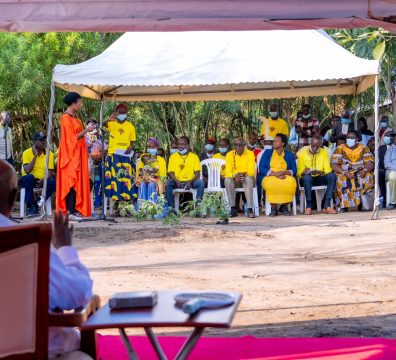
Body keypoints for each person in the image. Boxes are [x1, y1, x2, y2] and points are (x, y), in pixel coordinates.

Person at [0, 160, 93, 360]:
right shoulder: (25, 242)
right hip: (40, 352)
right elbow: (78, 294)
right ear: (13, 197)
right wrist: (65, 248)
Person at [56, 92, 93, 221]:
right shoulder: (65, 118)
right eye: (80, 102)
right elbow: (71, 138)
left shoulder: (76, 118)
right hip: (69, 155)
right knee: (70, 182)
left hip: (78, 154)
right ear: (73, 103)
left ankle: (75, 210)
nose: (81, 105)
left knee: (78, 181)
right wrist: (86, 130)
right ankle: (68, 212)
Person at [331, 130, 374, 212]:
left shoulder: (363, 147)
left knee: (368, 177)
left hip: (361, 171)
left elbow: (370, 162)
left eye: (351, 137)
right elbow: (334, 164)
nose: (349, 139)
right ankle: (344, 206)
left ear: (357, 139)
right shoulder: (340, 148)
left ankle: (364, 204)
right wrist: (344, 172)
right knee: (341, 180)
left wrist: (365, 170)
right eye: (347, 137)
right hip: (344, 172)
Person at [103, 103, 137, 207]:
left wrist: (130, 147)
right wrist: (109, 119)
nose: (121, 114)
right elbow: (102, 125)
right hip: (113, 154)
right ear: (116, 112)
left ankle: (127, 206)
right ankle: (116, 205)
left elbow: (132, 141)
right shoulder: (112, 123)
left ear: (127, 113)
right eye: (119, 112)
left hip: (126, 156)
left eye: (123, 112)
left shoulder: (130, 126)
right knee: (115, 180)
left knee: (126, 179)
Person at [297, 135, 337, 215]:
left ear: (320, 145)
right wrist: (305, 171)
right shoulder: (303, 154)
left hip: (319, 177)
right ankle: (309, 206)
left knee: (332, 176)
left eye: (318, 146)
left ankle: (326, 206)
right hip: (307, 180)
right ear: (310, 143)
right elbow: (299, 172)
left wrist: (319, 172)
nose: (315, 148)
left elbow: (328, 170)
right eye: (314, 145)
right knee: (307, 178)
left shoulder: (323, 153)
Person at [260, 133, 297, 216]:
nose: (274, 142)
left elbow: (294, 170)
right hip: (270, 175)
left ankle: (285, 207)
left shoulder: (289, 154)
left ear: (283, 143)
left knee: (291, 182)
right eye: (274, 141)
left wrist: (283, 173)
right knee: (270, 183)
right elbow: (261, 167)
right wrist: (275, 174)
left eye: (277, 141)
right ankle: (273, 208)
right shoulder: (267, 153)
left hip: (285, 175)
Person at [21, 131, 56, 217]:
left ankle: (37, 203)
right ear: (35, 142)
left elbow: (50, 172)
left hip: (42, 181)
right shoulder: (26, 153)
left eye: (44, 139)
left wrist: (43, 180)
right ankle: (30, 206)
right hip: (28, 180)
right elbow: (28, 170)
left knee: (55, 182)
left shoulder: (49, 154)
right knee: (29, 177)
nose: (43, 141)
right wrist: (35, 155)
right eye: (41, 140)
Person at [166, 136, 205, 210]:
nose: (180, 146)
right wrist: (177, 181)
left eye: (183, 144)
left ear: (188, 145)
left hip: (191, 181)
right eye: (179, 144)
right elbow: (171, 173)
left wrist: (190, 182)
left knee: (201, 183)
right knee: (168, 183)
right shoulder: (173, 157)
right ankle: (172, 209)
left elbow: (197, 173)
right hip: (177, 181)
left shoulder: (194, 157)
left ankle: (198, 208)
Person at [225, 138, 256, 218]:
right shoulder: (229, 155)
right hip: (235, 178)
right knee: (227, 180)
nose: (238, 147)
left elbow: (251, 171)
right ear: (233, 146)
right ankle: (232, 209)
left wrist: (243, 174)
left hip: (246, 177)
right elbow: (228, 172)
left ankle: (249, 209)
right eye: (236, 145)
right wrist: (234, 175)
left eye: (240, 145)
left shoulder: (250, 154)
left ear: (244, 145)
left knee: (249, 179)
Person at [136, 137, 167, 202]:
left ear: (157, 147)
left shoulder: (161, 160)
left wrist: (153, 178)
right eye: (149, 147)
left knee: (151, 184)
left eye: (153, 147)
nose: (151, 148)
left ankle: (153, 205)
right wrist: (144, 177)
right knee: (142, 184)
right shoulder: (144, 157)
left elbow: (163, 176)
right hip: (144, 178)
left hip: (156, 180)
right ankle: (142, 206)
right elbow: (139, 170)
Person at [85, 119, 106, 209]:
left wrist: (100, 156)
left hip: (98, 165)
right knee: (87, 183)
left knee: (98, 182)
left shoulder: (100, 137)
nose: (93, 128)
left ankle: (98, 203)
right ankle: (86, 204)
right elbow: (82, 150)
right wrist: (92, 157)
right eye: (91, 126)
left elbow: (106, 149)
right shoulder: (84, 137)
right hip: (87, 165)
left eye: (94, 126)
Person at [379, 130, 395, 206]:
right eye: (386, 135)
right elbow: (385, 163)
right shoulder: (386, 149)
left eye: (389, 136)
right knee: (392, 176)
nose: (386, 137)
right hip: (389, 170)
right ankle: (388, 200)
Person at [384, 133, 396, 210]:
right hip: (392, 171)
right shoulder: (390, 150)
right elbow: (387, 163)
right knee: (394, 176)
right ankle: (393, 202)